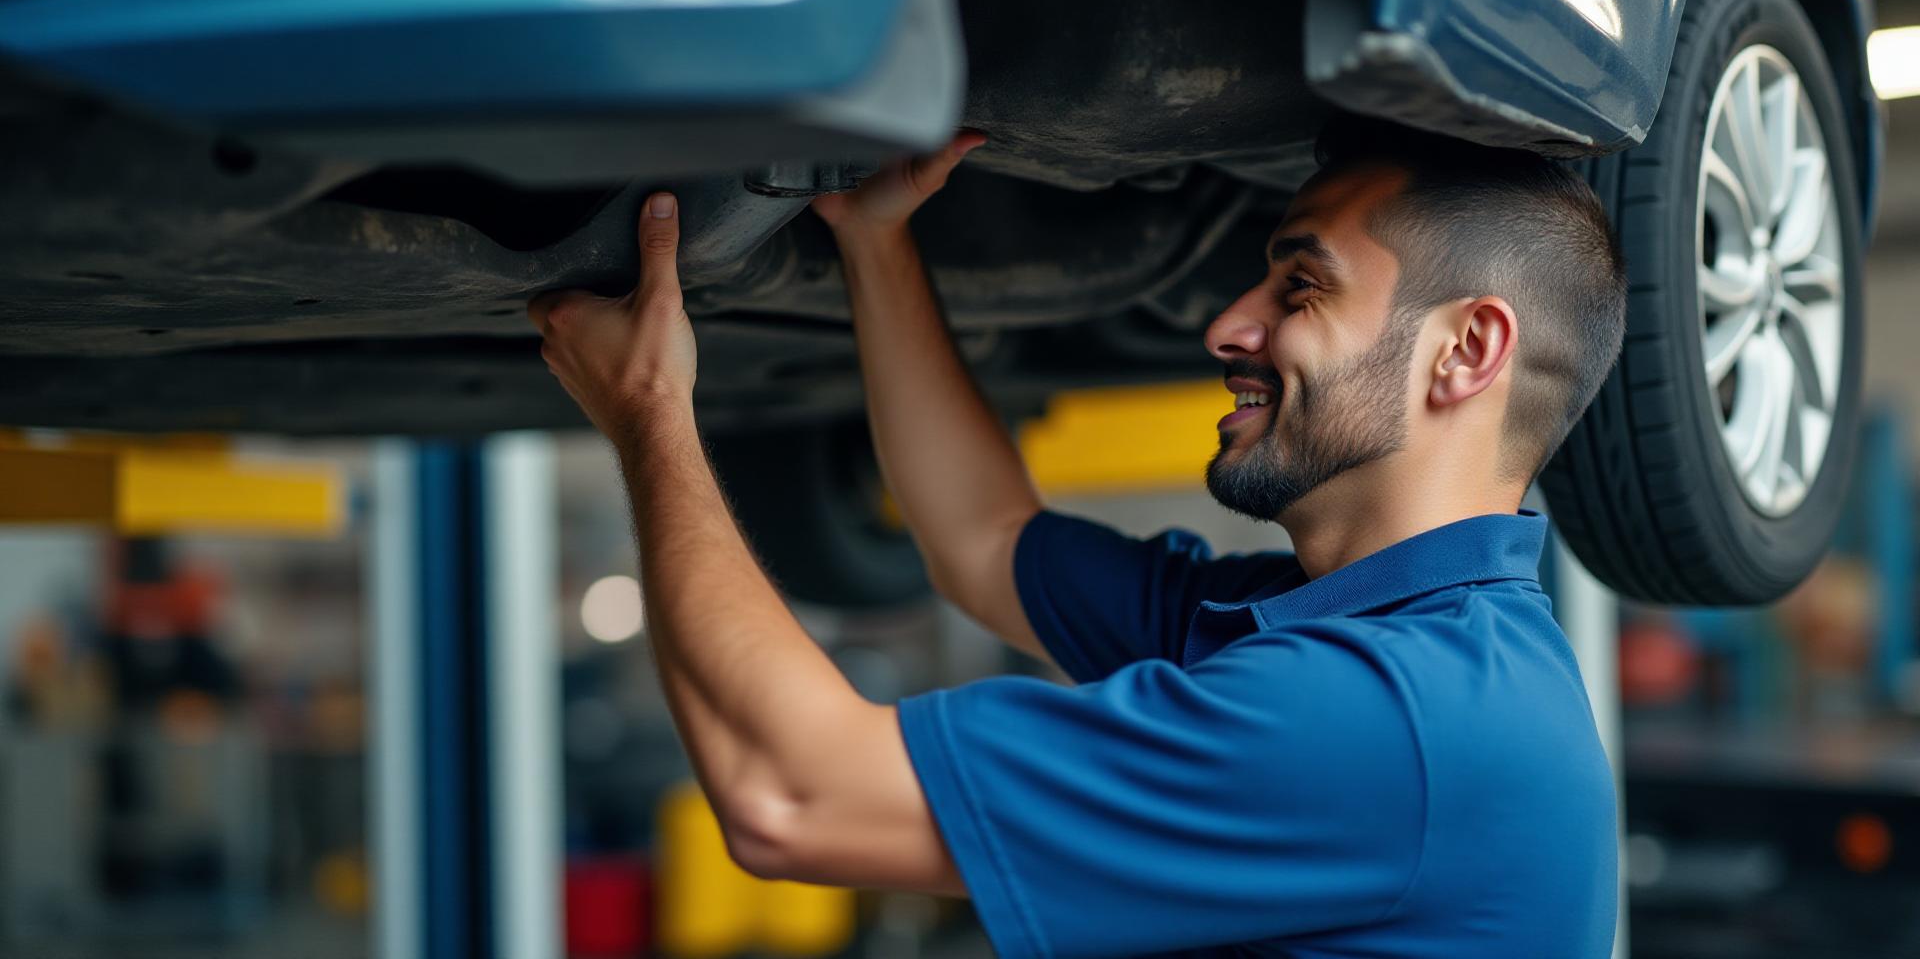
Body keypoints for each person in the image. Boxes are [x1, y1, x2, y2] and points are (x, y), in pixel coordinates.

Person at [528, 116, 1627, 958]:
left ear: (1467, 350)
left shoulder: (1386, 724)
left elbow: (789, 797)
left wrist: (650, 417)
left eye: (1300, 286)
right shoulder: (1394, 650)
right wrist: (876, 242)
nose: (1227, 326)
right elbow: (982, 540)